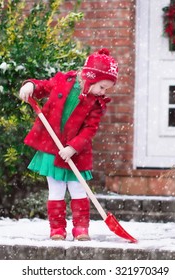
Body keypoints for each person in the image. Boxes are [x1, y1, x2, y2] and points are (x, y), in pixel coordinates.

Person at [18, 48, 118, 241]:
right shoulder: (63, 81)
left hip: (76, 153)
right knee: (56, 189)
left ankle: (81, 229)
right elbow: (43, 87)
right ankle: (57, 229)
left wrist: (73, 147)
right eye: (102, 87)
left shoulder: (96, 104)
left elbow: (90, 129)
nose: (103, 92)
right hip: (52, 147)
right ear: (90, 78)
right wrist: (30, 85)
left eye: (106, 89)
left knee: (78, 188)